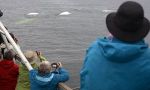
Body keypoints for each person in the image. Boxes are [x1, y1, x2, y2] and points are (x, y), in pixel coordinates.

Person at [80, 1, 150, 90]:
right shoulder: (147, 58)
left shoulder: (94, 48)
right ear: (140, 30)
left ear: (114, 29)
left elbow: (84, 79)